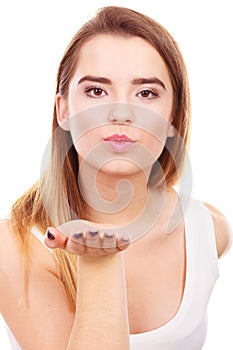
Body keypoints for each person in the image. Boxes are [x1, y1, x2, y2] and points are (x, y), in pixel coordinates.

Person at [0, 6, 232, 350]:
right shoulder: (15, 245)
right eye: (96, 91)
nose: (122, 112)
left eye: (146, 93)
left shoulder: (209, 229)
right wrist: (99, 262)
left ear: (173, 117)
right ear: (63, 110)